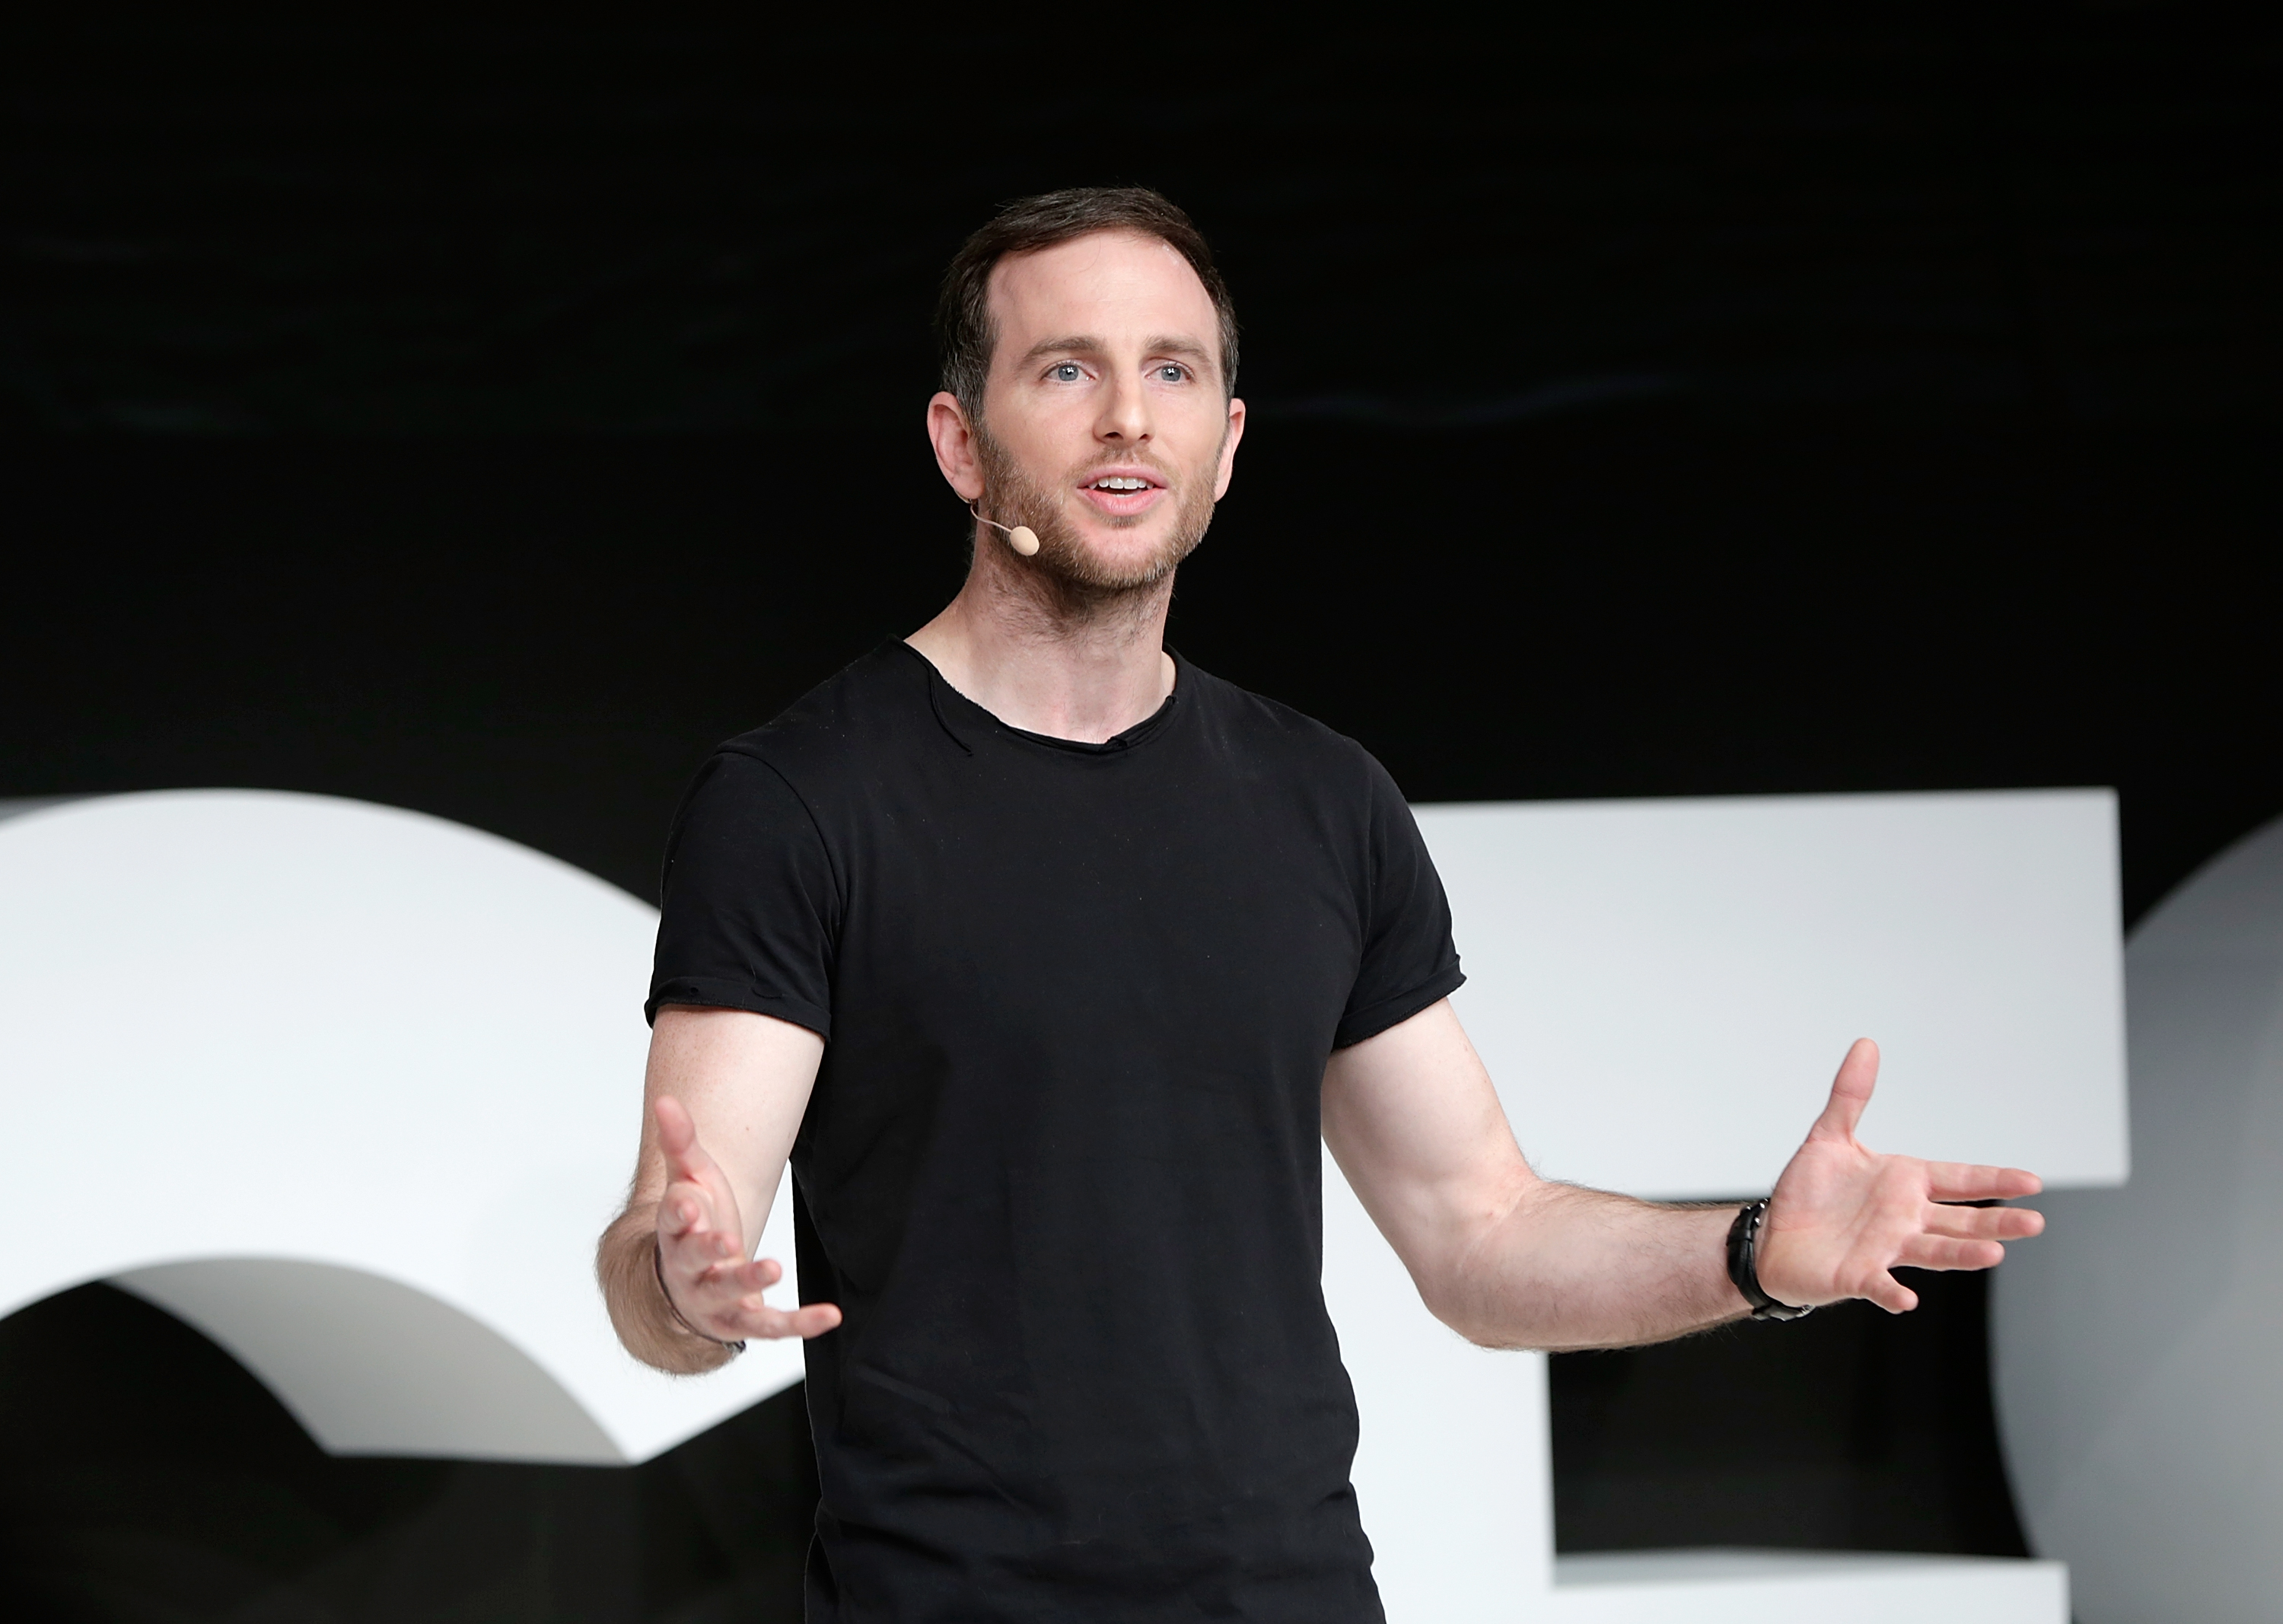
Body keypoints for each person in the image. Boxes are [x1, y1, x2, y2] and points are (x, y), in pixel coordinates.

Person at [596, 186, 2043, 1622]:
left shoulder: (1322, 801)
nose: (1127, 418)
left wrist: (1752, 1256)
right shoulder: (799, 802)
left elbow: (1482, 1234)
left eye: (1174, 371)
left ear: (1225, 446)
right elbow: (672, 1245)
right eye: (1066, 369)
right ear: (959, 444)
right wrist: (679, 1280)